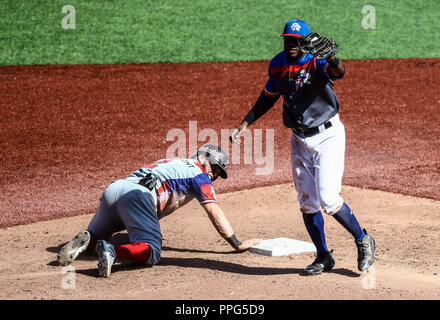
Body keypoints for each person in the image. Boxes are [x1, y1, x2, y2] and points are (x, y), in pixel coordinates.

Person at [229, 19, 375, 275]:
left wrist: (331, 58)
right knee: (307, 202)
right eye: (287, 39)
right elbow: (268, 97)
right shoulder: (277, 64)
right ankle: (323, 256)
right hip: (298, 139)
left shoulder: (315, 61)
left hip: (328, 136)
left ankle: (363, 239)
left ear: (305, 42)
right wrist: (244, 123)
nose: (291, 44)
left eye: (296, 40)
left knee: (328, 199)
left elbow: (340, 72)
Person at [57, 144, 262, 277]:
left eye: (217, 172)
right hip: (138, 197)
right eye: (214, 167)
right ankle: (113, 251)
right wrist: (237, 243)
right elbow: (213, 210)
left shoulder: (172, 162)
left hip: (115, 189)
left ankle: (88, 240)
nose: (213, 174)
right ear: (202, 157)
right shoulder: (198, 174)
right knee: (152, 251)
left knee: (99, 236)